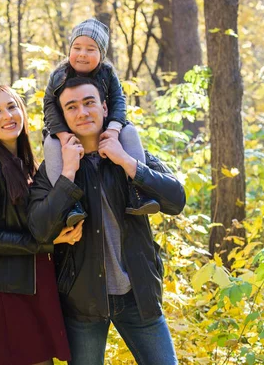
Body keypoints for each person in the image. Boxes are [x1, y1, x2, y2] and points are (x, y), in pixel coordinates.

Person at [28, 77, 186, 365]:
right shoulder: (53, 170)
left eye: (89, 103)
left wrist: (127, 162)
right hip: (82, 301)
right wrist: (68, 174)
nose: (82, 112)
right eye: (72, 107)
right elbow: (39, 229)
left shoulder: (131, 153)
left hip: (138, 295)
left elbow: (176, 201)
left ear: (104, 107)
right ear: (63, 118)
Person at [0, 85, 81, 365]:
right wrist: (49, 243)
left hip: (34, 279)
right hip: (3, 287)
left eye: (12, 106)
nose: (7, 115)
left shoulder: (27, 163)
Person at [43, 18, 159, 227]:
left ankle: (137, 192)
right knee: (51, 145)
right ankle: (70, 204)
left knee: (129, 132)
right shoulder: (59, 74)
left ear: (101, 54)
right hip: (66, 130)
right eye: (77, 47)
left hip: (105, 127)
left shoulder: (107, 73)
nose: (82, 54)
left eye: (91, 49)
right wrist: (61, 135)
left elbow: (119, 100)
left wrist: (114, 130)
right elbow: (49, 105)